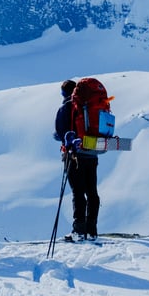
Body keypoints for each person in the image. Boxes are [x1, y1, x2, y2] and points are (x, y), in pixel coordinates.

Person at [53, 79, 101, 241]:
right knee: (92, 192)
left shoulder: (66, 107)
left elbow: (60, 132)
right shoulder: (89, 106)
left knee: (78, 192)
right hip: (92, 154)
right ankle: (91, 230)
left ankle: (79, 230)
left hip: (73, 156)